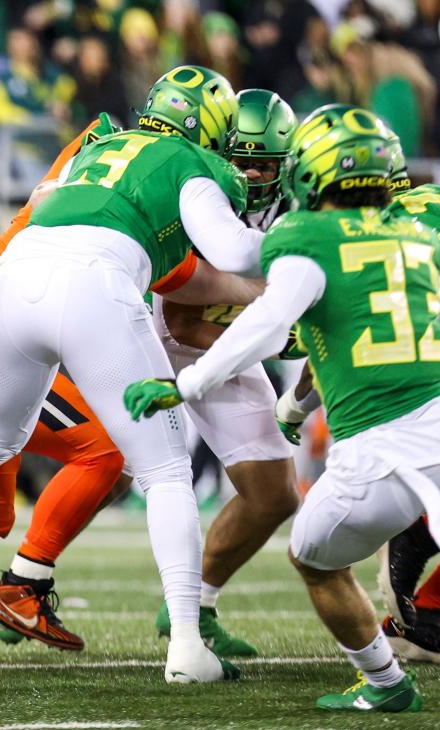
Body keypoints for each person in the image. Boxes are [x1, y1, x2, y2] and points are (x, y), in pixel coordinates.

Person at [0, 65, 266, 684]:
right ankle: (185, 647)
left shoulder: (99, 148)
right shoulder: (186, 160)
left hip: (13, 284)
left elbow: (43, 204)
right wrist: (297, 250)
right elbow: (235, 251)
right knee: (167, 467)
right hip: (91, 284)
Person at [126, 104, 431, 711]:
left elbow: (268, 326)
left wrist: (192, 385)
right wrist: (294, 399)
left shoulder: (303, 233)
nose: (260, 174)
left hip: (379, 447)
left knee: (312, 554)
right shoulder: (419, 234)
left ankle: (387, 685)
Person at [277, 132, 440, 665]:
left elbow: (336, 348)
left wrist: (294, 408)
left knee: (313, 552)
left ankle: (420, 565)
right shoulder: (419, 215)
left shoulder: (340, 239)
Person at [151, 89, 301, 656]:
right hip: (155, 334)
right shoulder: (200, 194)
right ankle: (31, 573)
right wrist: (266, 331)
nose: (253, 173)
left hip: (223, 340)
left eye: (265, 161)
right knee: (106, 470)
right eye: (241, 159)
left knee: (274, 494)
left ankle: (197, 608)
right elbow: (182, 321)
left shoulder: (298, 208)